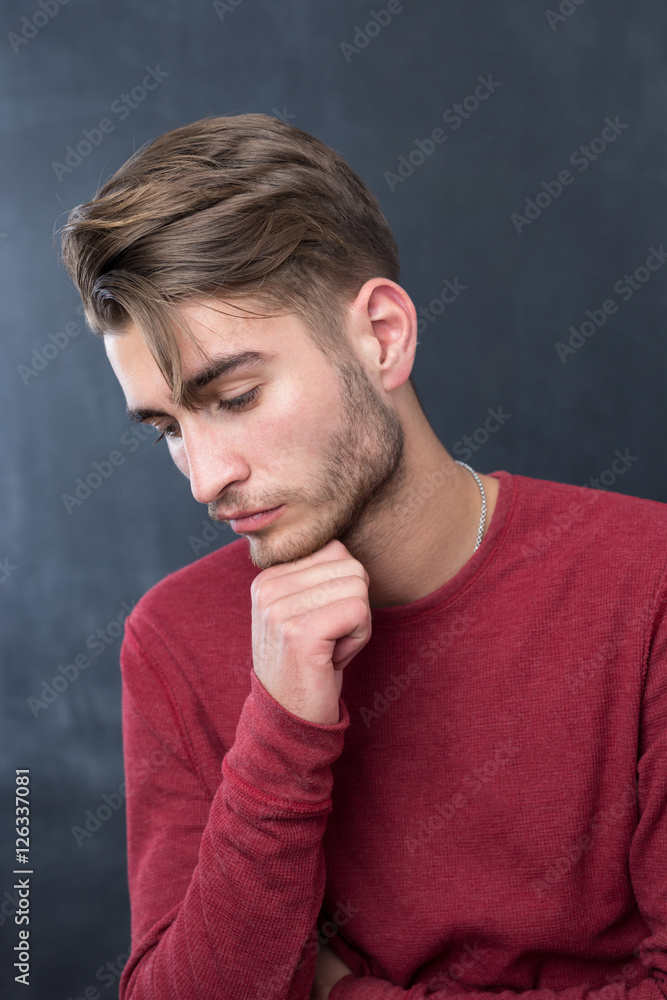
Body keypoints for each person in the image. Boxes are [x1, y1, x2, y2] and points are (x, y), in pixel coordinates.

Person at [58, 113, 667, 1000]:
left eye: (233, 396)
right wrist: (281, 731)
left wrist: (343, 992)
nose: (205, 478)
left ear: (380, 335)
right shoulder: (174, 639)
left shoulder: (645, 579)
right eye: (167, 429)